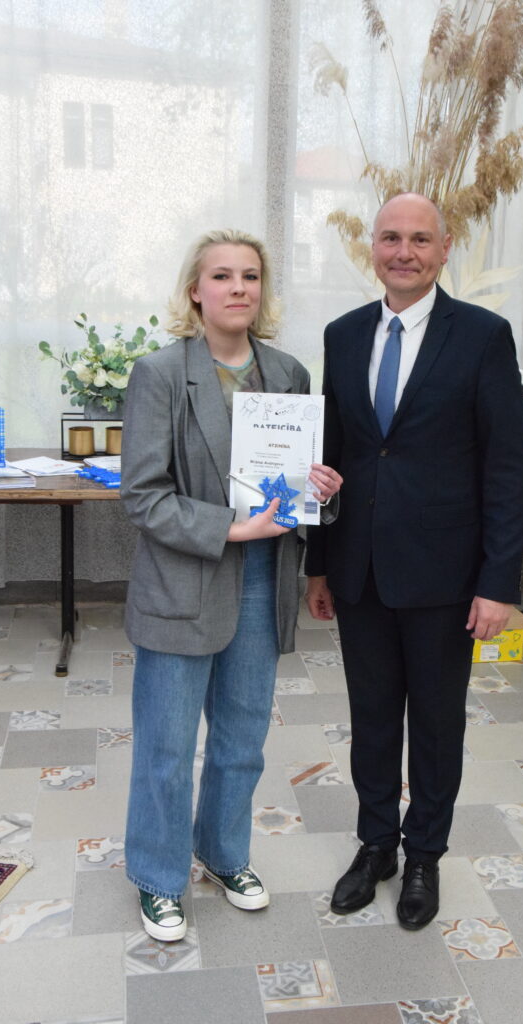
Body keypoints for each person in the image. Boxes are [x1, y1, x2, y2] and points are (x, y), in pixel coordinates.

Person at [306, 193, 523, 930]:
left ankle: (424, 853)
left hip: (444, 574)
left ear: (444, 248)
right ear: (372, 246)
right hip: (359, 569)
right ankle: (376, 845)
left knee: (435, 724)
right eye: (391, 238)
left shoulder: (483, 336)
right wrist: (318, 565)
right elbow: (331, 456)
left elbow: (505, 468)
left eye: (420, 239)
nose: (404, 252)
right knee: (371, 719)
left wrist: (498, 583)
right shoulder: (342, 335)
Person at [121, 228, 341, 942]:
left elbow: (297, 489)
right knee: (166, 745)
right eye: (222, 275)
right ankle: (159, 877)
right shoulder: (160, 374)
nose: (238, 287)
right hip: (183, 583)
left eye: (250, 275)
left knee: (242, 740)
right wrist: (231, 529)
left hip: (263, 583)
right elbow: (143, 497)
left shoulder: (288, 375)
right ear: (196, 290)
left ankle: (222, 854)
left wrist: (321, 489)